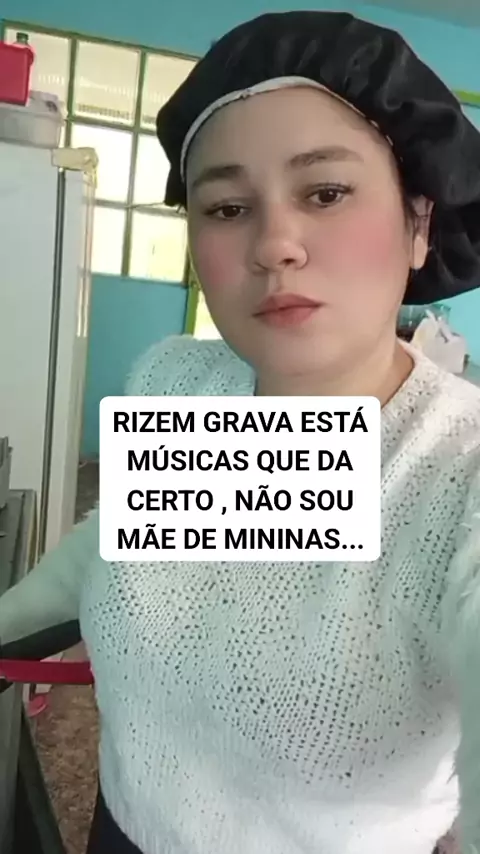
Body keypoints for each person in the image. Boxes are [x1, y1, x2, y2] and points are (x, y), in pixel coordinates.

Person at [1, 10, 480, 854]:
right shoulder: (187, 381)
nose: (275, 245)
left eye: (325, 193)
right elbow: (122, 550)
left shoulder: (455, 472)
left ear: (419, 224)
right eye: (226, 207)